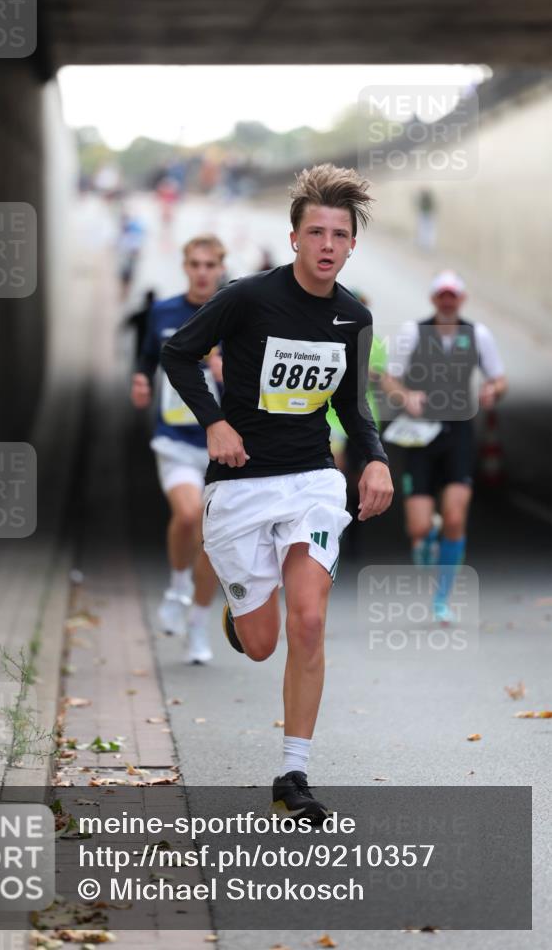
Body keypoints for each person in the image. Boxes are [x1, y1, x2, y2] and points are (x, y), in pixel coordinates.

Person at [161, 164, 393, 823]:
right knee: (261, 643)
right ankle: (238, 616)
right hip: (239, 486)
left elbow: (352, 408)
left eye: (338, 234)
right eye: (314, 231)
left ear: (351, 245)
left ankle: (293, 773)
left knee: (310, 620)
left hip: (312, 483)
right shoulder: (247, 298)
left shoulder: (353, 318)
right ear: (293, 238)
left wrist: (372, 462)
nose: (326, 243)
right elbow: (179, 354)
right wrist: (215, 423)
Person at [381, 270, 507, 623]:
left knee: (455, 516)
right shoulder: (412, 333)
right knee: (418, 528)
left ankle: (441, 599)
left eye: (454, 295)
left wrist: (492, 391)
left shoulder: (477, 335)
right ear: (434, 299)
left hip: (458, 434)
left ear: (462, 299)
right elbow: (388, 378)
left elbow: (499, 379)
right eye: (442, 295)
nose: (448, 300)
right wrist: (405, 396)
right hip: (420, 435)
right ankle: (428, 536)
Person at [131, 235, 227, 664]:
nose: (202, 271)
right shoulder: (164, 312)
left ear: (221, 267)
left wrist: (228, 372)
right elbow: (147, 357)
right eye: (195, 264)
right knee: (187, 515)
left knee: (212, 542)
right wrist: (140, 380)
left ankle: (197, 625)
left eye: (210, 264)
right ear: (185, 266)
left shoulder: (236, 315)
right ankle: (177, 586)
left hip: (222, 446)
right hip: (174, 437)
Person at [326, 290, 388, 556]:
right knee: (334, 470)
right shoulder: (328, 337)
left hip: (362, 417)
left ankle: (355, 528)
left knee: (356, 480)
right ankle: (331, 528)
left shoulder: (376, 345)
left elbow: (381, 378)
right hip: (330, 417)